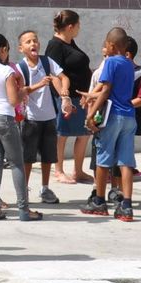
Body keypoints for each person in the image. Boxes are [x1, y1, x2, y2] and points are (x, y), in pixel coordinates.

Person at [0, 33, 36, 222]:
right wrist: (23, 91)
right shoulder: (6, 72)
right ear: (3, 50)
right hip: (4, 118)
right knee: (17, 163)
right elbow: (13, 100)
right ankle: (24, 210)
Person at [82, 28, 139, 221]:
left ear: (112, 46)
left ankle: (99, 200)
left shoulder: (110, 62)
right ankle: (127, 205)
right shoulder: (130, 64)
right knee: (126, 161)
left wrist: (91, 114)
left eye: (106, 44)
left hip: (113, 116)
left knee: (103, 158)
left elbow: (105, 91)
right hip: (129, 116)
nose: (104, 47)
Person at [16, 30, 68, 204]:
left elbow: (62, 77)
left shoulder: (47, 61)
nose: (33, 44)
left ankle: (45, 188)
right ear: (21, 48)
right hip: (30, 118)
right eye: (28, 42)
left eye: (35, 41)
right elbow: (21, 91)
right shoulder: (20, 67)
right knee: (28, 157)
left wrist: (65, 94)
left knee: (48, 156)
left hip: (49, 116)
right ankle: (24, 188)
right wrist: (39, 84)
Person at [47, 10, 94, 184]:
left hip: (81, 97)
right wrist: (63, 97)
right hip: (67, 98)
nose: (79, 28)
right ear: (70, 27)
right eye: (78, 25)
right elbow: (54, 74)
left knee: (84, 133)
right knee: (62, 134)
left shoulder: (70, 42)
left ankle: (78, 171)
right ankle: (58, 170)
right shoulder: (55, 46)